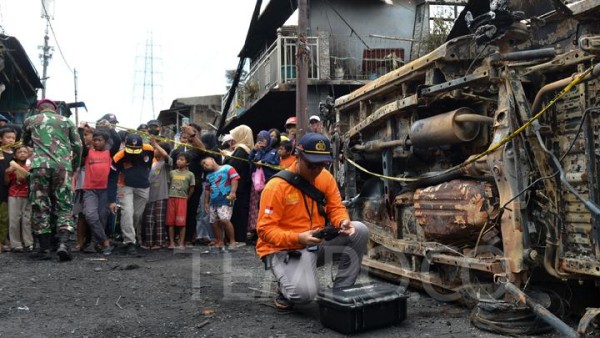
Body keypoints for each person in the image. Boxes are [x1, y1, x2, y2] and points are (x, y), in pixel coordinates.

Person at [256, 133, 368, 310]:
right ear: (298, 157)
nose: (317, 170)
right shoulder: (276, 187)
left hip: (315, 241)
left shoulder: (325, 177)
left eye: (322, 165)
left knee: (359, 229)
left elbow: (335, 208)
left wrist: (342, 222)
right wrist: (298, 238)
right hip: (286, 248)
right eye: (311, 165)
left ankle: (341, 292)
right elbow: (265, 231)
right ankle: (284, 288)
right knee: (304, 295)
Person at [22, 98, 83, 261]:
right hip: (62, 167)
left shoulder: (30, 120)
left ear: (38, 109)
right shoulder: (66, 121)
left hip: (39, 166)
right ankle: (63, 244)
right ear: (55, 109)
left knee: (40, 205)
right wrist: (75, 165)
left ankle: (44, 249)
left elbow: (24, 141)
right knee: (63, 205)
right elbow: (78, 145)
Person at [108, 134, 154, 255]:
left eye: (136, 150)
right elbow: (112, 178)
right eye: (131, 150)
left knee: (137, 215)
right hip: (125, 186)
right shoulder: (118, 157)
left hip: (143, 186)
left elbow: (149, 166)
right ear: (125, 146)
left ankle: (129, 236)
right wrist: (112, 200)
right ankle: (130, 242)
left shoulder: (149, 149)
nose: (133, 153)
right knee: (127, 212)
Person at [170, 123, 205, 244]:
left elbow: (202, 150)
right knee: (176, 211)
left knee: (191, 211)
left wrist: (192, 134)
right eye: (188, 132)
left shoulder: (199, 148)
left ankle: (188, 238)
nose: (190, 134)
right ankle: (174, 238)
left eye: (193, 132)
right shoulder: (178, 150)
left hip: (194, 184)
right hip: (178, 185)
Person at [81, 130, 114, 255]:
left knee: (102, 216)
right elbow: (80, 143)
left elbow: (115, 138)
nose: (96, 142)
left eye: (99, 140)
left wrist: (108, 127)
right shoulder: (88, 153)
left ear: (105, 142)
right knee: (90, 215)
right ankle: (105, 241)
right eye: (95, 140)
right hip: (90, 189)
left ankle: (95, 244)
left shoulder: (109, 153)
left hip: (105, 190)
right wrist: (81, 129)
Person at [247, 130, 280, 242]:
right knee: (256, 207)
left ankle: (268, 229)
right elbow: (250, 162)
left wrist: (264, 162)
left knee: (267, 206)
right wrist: (254, 150)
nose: (262, 141)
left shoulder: (274, 152)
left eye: (264, 139)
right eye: (260, 139)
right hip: (256, 185)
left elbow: (275, 164)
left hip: (268, 183)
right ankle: (256, 230)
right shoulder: (258, 151)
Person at [201, 156, 239, 251]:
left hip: (225, 198)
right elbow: (207, 190)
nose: (204, 165)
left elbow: (235, 179)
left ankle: (232, 241)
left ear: (212, 159)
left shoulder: (227, 167)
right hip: (213, 201)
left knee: (224, 220)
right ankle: (220, 241)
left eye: (205, 162)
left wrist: (233, 192)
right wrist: (206, 202)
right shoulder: (208, 175)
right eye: (203, 165)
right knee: (214, 222)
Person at [223, 125, 253, 244]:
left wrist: (227, 157)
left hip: (238, 187)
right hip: (241, 186)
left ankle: (238, 238)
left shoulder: (241, 150)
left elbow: (233, 166)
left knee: (238, 213)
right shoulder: (244, 149)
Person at [144, 139, 172, 249]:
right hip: (150, 196)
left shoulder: (167, 163)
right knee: (149, 219)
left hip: (162, 195)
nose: (154, 150)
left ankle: (159, 242)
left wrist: (156, 144)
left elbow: (166, 155)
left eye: (156, 149)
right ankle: (149, 242)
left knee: (159, 220)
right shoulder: (153, 164)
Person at [5, 145, 32, 252]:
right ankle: (16, 244)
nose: (22, 153)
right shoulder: (12, 167)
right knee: (14, 220)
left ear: (28, 154)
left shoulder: (31, 167)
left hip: (28, 195)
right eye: (19, 152)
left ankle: (29, 242)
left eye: (25, 152)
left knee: (27, 220)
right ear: (15, 155)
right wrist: (7, 173)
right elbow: (6, 182)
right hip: (14, 195)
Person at [167, 152, 195, 249]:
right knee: (170, 222)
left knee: (181, 222)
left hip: (182, 199)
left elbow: (192, 188)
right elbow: (168, 184)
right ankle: (171, 243)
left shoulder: (190, 174)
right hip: (171, 198)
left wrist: (187, 197)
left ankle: (181, 243)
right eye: (178, 159)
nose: (179, 161)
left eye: (182, 159)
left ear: (187, 163)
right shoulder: (172, 173)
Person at [0, 127, 16, 253]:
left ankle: (7, 240)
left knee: (9, 216)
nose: (11, 140)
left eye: (13, 138)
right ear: (1, 139)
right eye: (7, 137)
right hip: (1, 187)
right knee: (3, 216)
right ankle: (3, 240)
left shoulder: (16, 154)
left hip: (13, 188)